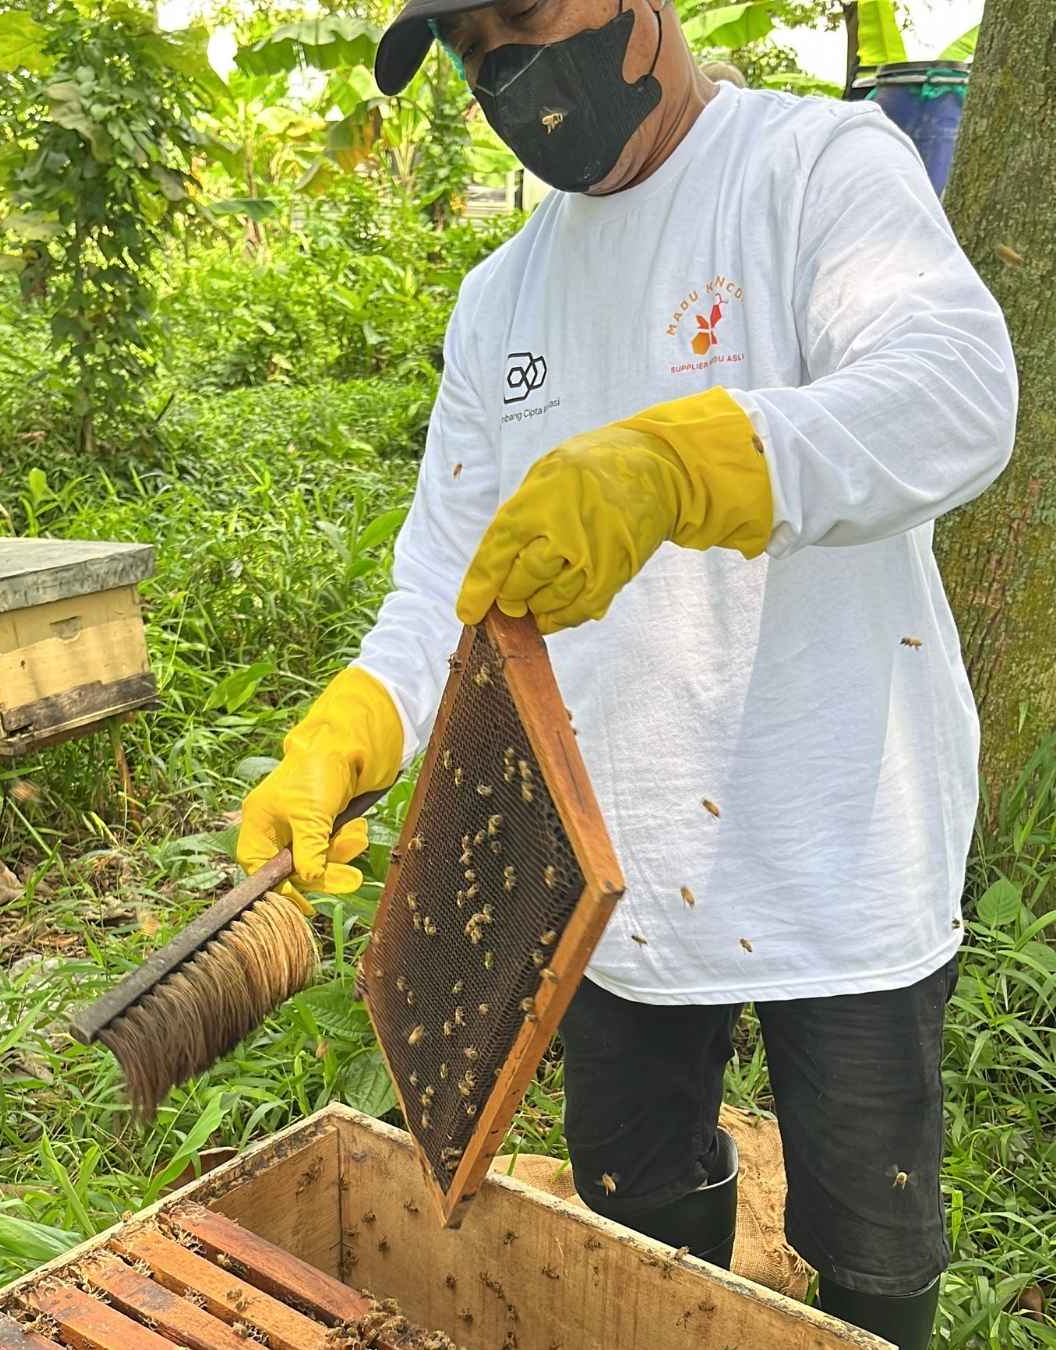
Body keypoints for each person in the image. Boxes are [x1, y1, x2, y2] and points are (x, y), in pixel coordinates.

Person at [237, 1, 1017, 1344]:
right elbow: (445, 588)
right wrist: (360, 718)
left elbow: (958, 395)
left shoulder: (815, 169)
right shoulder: (501, 299)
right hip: (612, 870)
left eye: (525, 18)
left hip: (846, 846)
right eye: (473, 49)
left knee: (875, 1256)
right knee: (638, 1236)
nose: (506, 74)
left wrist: (687, 462)